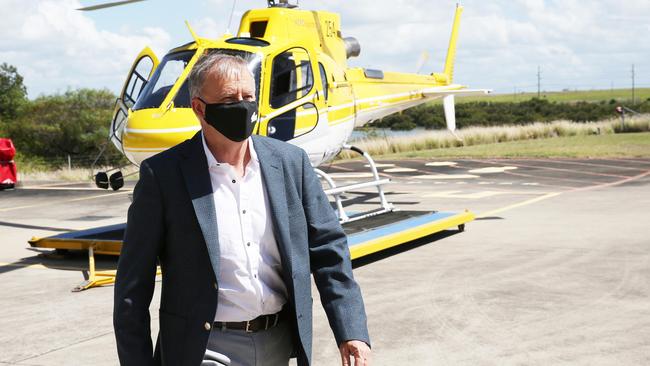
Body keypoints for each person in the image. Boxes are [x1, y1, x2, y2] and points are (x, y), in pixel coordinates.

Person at [113, 51, 371, 366]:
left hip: (278, 341)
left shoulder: (291, 163)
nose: (242, 105)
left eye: (248, 96)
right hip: (205, 346)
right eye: (228, 99)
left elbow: (329, 250)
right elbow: (132, 288)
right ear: (199, 108)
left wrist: (351, 330)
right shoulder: (163, 176)